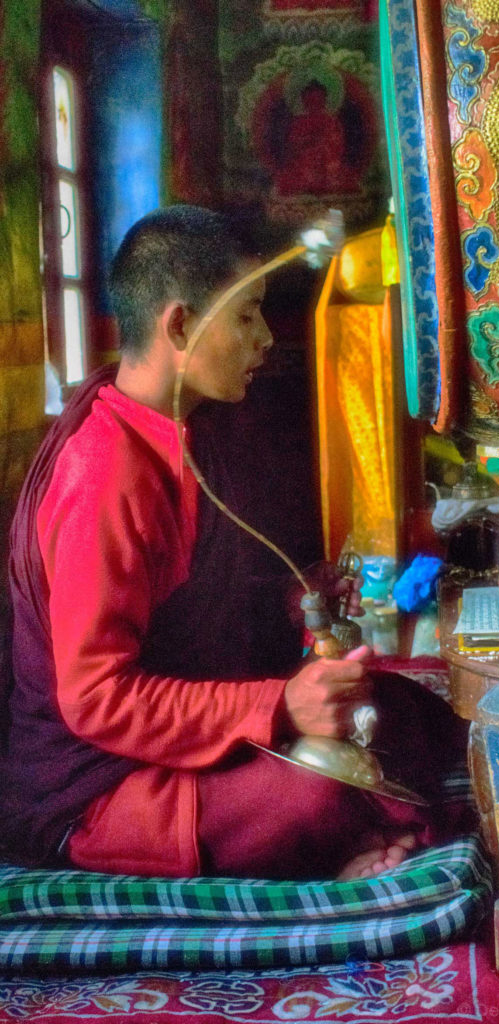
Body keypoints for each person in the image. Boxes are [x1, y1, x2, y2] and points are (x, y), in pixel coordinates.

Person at [1, 205, 465, 881]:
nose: (265, 340)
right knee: (321, 792)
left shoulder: (183, 430)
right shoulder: (104, 470)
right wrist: (277, 705)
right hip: (100, 784)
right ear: (181, 324)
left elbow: (180, 607)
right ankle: (340, 838)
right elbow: (95, 698)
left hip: (174, 740)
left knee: (398, 710)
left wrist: (280, 598)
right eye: (247, 315)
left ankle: (349, 841)